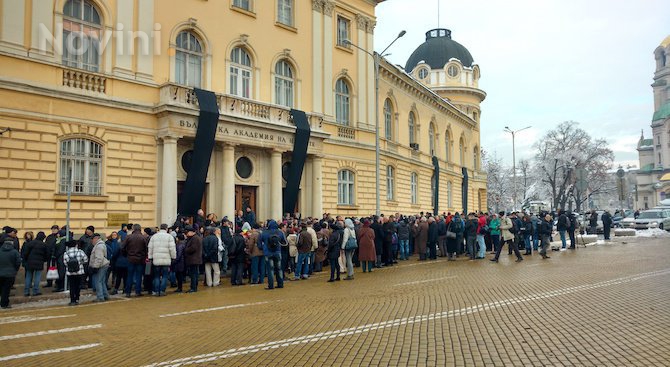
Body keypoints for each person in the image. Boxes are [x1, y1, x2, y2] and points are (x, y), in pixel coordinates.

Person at [148, 224, 176, 296]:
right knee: (165, 276)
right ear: (166, 229)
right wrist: (173, 257)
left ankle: (157, 291)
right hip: (166, 260)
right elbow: (172, 249)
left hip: (156, 259)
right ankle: (162, 290)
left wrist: (150, 257)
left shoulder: (154, 236)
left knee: (156, 276)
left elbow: (150, 248)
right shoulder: (169, 237)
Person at [123, 224, 147, 297]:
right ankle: (138, 291)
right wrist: (143, 256)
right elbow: (146, 249)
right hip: (140, 259)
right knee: (139, 276)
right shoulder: (143, 237)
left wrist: (126, 254)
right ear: (140, 229)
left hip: (130, 258)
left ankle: (128, 292)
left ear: (133, 229)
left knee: (129, 276)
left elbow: (122, 247)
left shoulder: (128, 237)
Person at [260, 220, 285, 290]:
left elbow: (259, 242)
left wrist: (263, 248)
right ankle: (280, 284)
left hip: (268, 252)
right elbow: (284, 242)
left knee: (270, 269)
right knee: (279, 269)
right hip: (278, 252)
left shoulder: (264, 233)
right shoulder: (280, 232)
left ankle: (271, 285)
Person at [22, 231, 48, 296]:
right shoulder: (44, 245)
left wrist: (25, 260)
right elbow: (47, 254)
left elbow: (25, 253)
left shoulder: (31, 243)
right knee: (37, 277)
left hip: (29, 262)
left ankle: (26, 291)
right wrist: (44, 260)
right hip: (39, 262)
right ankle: (35, 291)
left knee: (28, 277)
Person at [63, 240, 87, 306]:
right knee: (78, 286)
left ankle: (72, 300)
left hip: (70, 273)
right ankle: (77, 298)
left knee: (72, 286)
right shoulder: (80, 252)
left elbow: (65, 263)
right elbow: (85, 259)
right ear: (75, 245)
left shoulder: (66, 253)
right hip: (79, 271)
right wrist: (80, 263)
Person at [88, 233, 110, 302]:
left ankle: (100, 297)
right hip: (103, 265)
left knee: (98, 281)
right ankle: (105, 295)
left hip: (101, 265)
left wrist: (95, 267)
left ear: (96, 238)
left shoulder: (99, 246)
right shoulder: (100, 245)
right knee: (102, 281)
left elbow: (99, 258)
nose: (91, 241)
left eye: (92, 239)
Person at [0, 239, 21, 308]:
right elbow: (18, 262)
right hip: (10, 274)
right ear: (12, 243)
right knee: (6, 290)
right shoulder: (14, 252)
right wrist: (15, 270)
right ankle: (4, 304)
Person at [183, 225, 203, 293]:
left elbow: (193, 248)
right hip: (195, 259)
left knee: (193, 274)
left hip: (194, 259)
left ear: (192, 232)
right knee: (194, 274)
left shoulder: (195, 238)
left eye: (187, 232)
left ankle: (193, 288)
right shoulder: (195, 237)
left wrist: (185, 250)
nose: (187, 234)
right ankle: (194, 287)